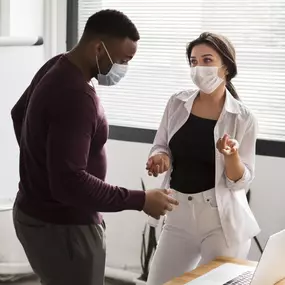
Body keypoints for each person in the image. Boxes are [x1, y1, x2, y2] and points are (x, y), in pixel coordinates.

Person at [11, 9, 178, 285]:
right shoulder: (78, 96)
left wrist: (41, 168)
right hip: (66, 229)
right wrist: (142, 200)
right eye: (123, 60)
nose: (123, 69)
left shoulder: (55, 65)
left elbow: (20, 114)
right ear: (99, 48)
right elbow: (70, 183)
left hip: (34, 214)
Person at [145, 32, 260, 285]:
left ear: (226, 67)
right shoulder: (176, 103)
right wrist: (159, 157)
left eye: (207, 60)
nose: (199, 68)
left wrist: (231, 157)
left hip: (220, 221)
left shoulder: (243, 118)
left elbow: (241, 181)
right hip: (178, 214)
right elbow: (160, 144)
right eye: (194, 62)